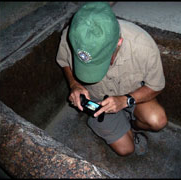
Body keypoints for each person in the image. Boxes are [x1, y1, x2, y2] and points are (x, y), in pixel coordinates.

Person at [56, 2, 167, 156]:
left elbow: (157, 86)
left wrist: (125, 100)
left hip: (132, 93)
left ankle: (131, 124)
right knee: (126, 150)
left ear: (118, 42)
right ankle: (116, 126)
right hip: (97, 100)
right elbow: (63, 62)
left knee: (157, 120)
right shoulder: (73, 36)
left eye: (102, 61)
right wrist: (74, 84)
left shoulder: (144, 47)